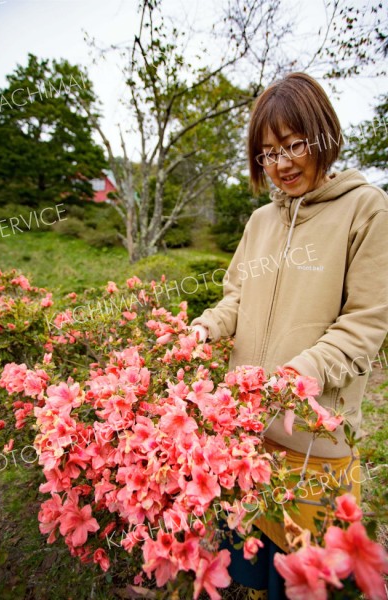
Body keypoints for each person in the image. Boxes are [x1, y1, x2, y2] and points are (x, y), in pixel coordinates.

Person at [189, 72, 388, 599]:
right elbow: (237, 297)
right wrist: (205, 329)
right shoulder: (259, 222)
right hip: (245, 437)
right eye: (267, 152)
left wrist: (306, 370)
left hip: (312, 446)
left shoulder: (366, 209)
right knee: (252, 576)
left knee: (308, 584)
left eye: (294, 144)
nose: (281, 163)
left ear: (323, 134)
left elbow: (366, 320)